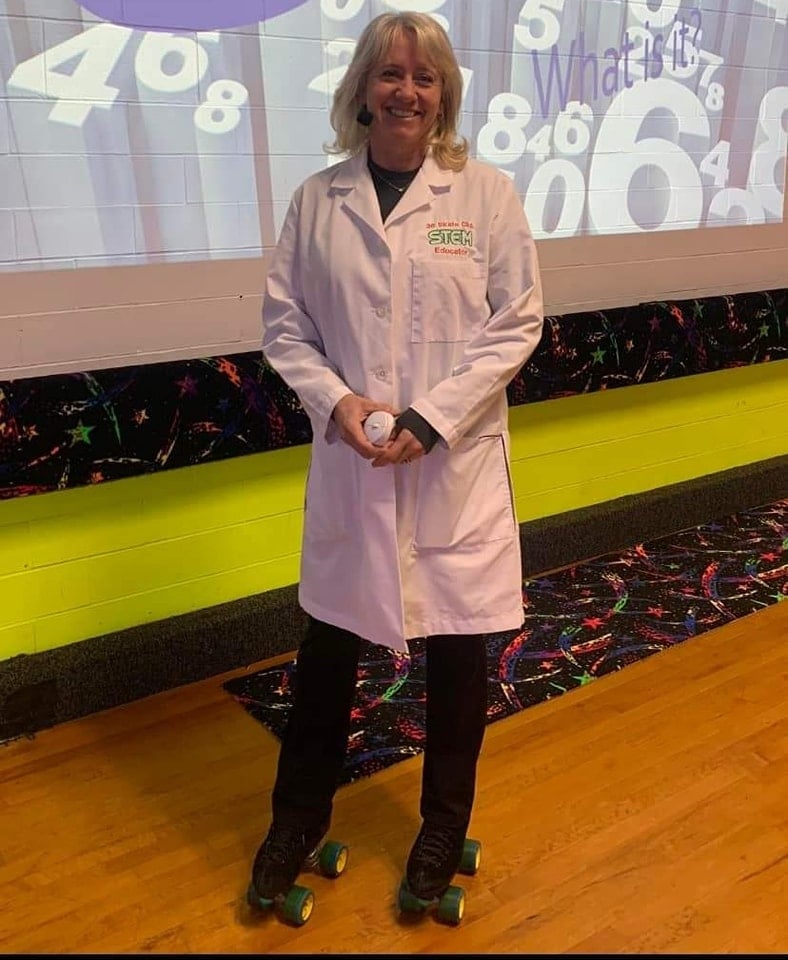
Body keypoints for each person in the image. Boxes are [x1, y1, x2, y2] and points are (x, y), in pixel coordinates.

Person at [251, 10, 545, 911]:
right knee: (327, 653)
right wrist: (336, 402)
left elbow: (517, 323)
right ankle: (296, 820)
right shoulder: (318, 201)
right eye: (390, 74)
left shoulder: (485, 196)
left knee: (457, 658)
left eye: (423, 77)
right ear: (362, 91)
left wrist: (436, 416)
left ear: (443, 94)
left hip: (451, 468)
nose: (406, 91)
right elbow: (285, 328)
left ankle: (442, 827)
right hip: (355, 464)